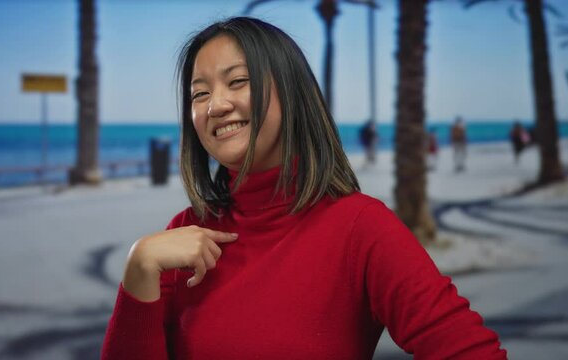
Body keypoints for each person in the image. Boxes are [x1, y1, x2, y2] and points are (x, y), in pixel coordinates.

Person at [102, 17, 506, 359]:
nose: (215, 105)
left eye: (238, 81)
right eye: (200, 93)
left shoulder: (360, 227)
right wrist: (139, 267)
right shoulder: (183, 232)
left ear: (291, 93)